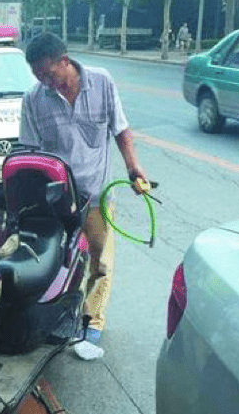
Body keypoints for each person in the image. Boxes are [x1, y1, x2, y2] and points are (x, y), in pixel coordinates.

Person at [19, 33, 150, 361]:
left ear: (65, 60)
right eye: (39, 77)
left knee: (99, 259)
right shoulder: (34, 99)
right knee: (59, 260)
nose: (47, 83)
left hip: (97, 193)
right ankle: (63, 314)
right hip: (57, 197)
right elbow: (31, 151)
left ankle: (92, 319)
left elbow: (120, 129)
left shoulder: (101, 82)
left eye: (51, 75)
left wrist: (133, 167)